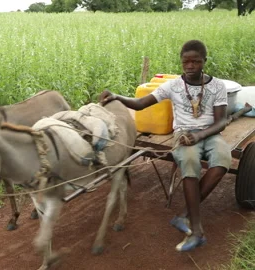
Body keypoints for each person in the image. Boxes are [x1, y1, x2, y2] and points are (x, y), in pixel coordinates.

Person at [98, 40, 231, 252]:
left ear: (204, 61)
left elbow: (221, 122)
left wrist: (200, 136)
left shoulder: (217, 86)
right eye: (185, 62)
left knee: (223, 159)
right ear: (181, 62)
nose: (190, 66)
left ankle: (185, 215)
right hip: (183, 134)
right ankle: (196, 230)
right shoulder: (173, 85)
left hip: (209, 133)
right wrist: (116, 96)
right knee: (189, 162)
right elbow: (141, 104)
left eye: (195, 61)